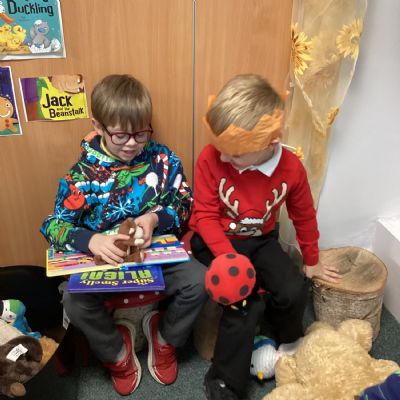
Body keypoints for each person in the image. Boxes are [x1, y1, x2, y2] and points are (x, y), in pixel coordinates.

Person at [40, 74, 207, 396]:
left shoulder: (163, 160)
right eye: (120, 135)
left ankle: (165, 338)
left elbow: (185, 203)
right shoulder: (81, 176)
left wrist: (155, 218)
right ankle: (117, 354)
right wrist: (91, 240)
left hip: (155, 257)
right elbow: (53, 225)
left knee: (199, 281)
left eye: (141, 133)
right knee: (73, 301)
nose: (132, 143)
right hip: (104, 264)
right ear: (98, 127)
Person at [188, 73, 341, 400]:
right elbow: (205, 216)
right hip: (215, 242)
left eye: (235, 154)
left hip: (260, 240)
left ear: (269, 144)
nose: (224, 158)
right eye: (221, 149)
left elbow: (303, 214)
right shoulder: (211, 157)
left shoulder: (291, 168)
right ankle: (224, 382)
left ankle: (289, 347)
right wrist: (232, 261)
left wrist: (312, 259)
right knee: (244, 302)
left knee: (293, 287)